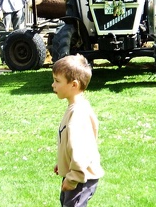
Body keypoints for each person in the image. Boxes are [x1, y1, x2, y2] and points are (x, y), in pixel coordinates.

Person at [51, 54, 104, 207]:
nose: (53, 85)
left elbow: (82, 149)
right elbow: (69, 142)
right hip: (76, 173)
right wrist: (63, 163)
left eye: (57, 81)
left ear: (74, 85)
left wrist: (73, 177)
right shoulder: (76, 108)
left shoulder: (78, 114)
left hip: (81, 177)